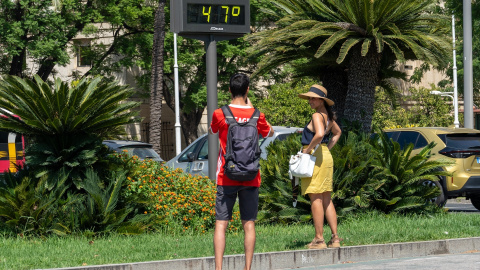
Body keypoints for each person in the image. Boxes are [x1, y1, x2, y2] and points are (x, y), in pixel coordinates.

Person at [210, 73, 274, 270]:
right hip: (251, 176)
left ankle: (219, 268)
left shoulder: (220, 113)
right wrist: (251, 106)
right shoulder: (257, 115)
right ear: (247, 90)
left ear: (229, 90)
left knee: (221, 224)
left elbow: (213, 131)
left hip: (226, 175)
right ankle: (247, 268)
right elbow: (269, 132)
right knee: (249, 224)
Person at [298, 84, 342, 249]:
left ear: (321, 100)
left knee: (315, 197)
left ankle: (319, 239)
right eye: (309, 97)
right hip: (325, 157)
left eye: (313, 98)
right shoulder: (328, 117)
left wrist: (307, 151)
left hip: (315, 158)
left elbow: (319, 134)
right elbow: (337, 133)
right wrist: (326, 148)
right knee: (326, 198)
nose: (310, 100)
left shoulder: (317, 116)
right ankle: (335, 238)